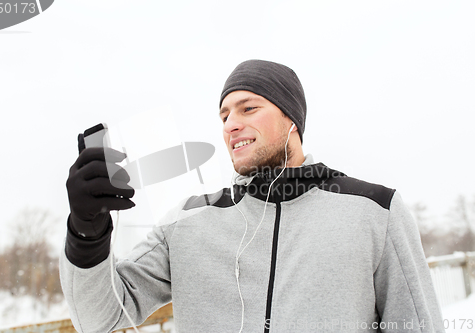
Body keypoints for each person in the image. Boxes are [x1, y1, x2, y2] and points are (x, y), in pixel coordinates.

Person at [60, 60, 445, 333]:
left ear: (291, 120)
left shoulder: (374, 211)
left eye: (249, 108)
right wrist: (86, 229)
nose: (231, 124)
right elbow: (100, 318)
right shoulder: (188, 222)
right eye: (224, 115)